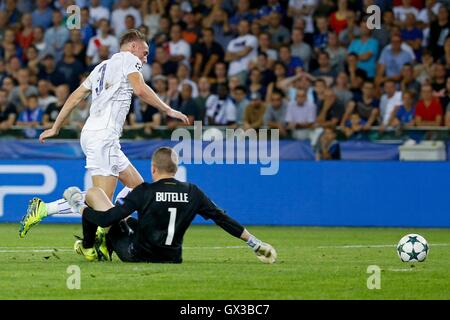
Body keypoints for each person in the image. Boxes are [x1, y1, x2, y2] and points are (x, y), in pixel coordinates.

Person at [19, 29, 188, 238]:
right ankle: (51, 214)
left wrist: (56, 127)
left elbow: (75, 96)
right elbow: (140, 89)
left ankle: (99, 229)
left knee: (139, 189)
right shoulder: (129, 59)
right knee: (102, 203)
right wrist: (168, 110)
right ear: (133, 46)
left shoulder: (101, 67)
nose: (145, 58)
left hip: (94, 133)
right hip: (103, 136)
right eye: (144, 52)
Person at [64, 147, 277, 264]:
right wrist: (256, 244)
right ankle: (98, 247)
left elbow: (106, 219)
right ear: (175, 169)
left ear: (153, 168)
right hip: (172, 257)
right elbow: (222, 218)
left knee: (94, 194)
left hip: (136, 254)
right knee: (127, 219)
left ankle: (89, 248)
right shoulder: (193, 192)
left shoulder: (144, 191)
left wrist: (78, 205)